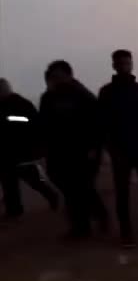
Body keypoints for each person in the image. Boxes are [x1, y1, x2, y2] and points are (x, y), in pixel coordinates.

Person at [98, 50, 138, 247]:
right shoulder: (106, 92)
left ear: (131, 64)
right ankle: (126, 232)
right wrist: (106, 149)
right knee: (122, 193)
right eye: (120, 63)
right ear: (114, 65)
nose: (124, 66)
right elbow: (102, 124)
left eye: (127, 62)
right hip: (120, 151)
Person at [39, 61, 108, 239]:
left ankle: (90, 223)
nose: (56, 79)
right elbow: (44, 125)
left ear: (69, 75)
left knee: (81, 189)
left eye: (59, 75)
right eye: (53, 76)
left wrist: (93, 148)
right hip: (58, 153)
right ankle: (89, 221)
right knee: (71, 190)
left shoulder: (82, 95)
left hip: (82, 152)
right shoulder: (48, 98)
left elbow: (97, 123)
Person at [0, 78, 59, 219]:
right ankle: (14, 210)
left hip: (21, 149)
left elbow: (33, 123)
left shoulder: (21, 103)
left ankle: (52, 196)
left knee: (33, 179)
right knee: (8, 181)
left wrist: (10, 121)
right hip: (5, 150)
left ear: (6, 88)